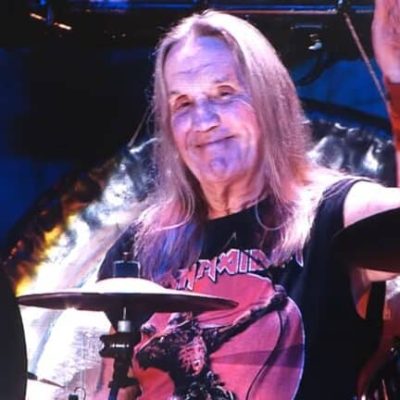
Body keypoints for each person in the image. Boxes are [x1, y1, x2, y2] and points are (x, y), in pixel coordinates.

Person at [94, 1, 400, 399]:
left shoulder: (334, 214)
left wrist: (396, 81)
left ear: (270, 101)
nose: (204, 121)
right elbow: (112, 389)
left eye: (224, 93)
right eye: (183, 103)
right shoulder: (140, 248)